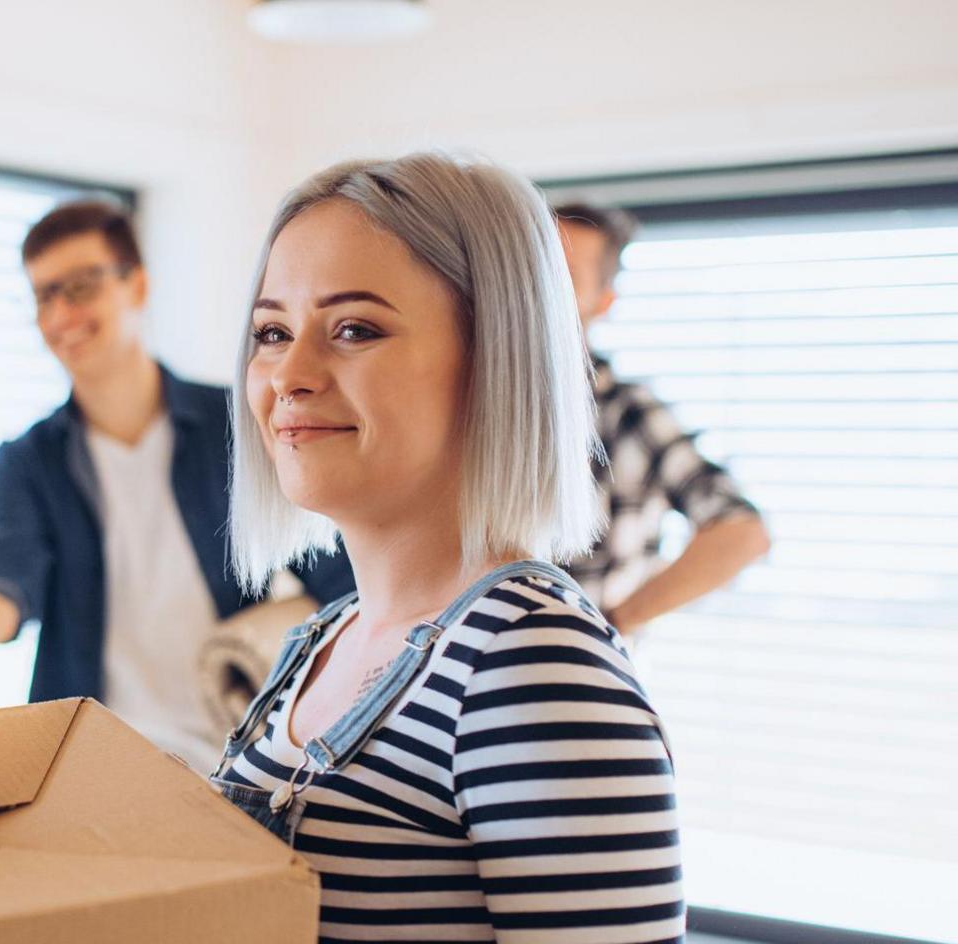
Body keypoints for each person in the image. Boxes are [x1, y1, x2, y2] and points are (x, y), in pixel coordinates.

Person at [212, 155, 684, 941]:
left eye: (354, 329)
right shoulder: (323, 639)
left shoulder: (531, 662)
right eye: (272, 332)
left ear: (494, 358)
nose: (288, 374)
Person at [0, 200, 354, 769]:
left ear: (137, 287)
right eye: (42, 296)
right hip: (90, 766)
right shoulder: (27, 463)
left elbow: (333, 571)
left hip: (242, 755)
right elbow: (11, 569)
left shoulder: (236, 426)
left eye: (79, 287)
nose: (59, 315)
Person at [554, 203, 770, 636]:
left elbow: (742, 533)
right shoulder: (461, 401)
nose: (541, 290)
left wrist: (612, 625)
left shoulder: (629, 414)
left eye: (566, 277)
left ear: (604, 301)